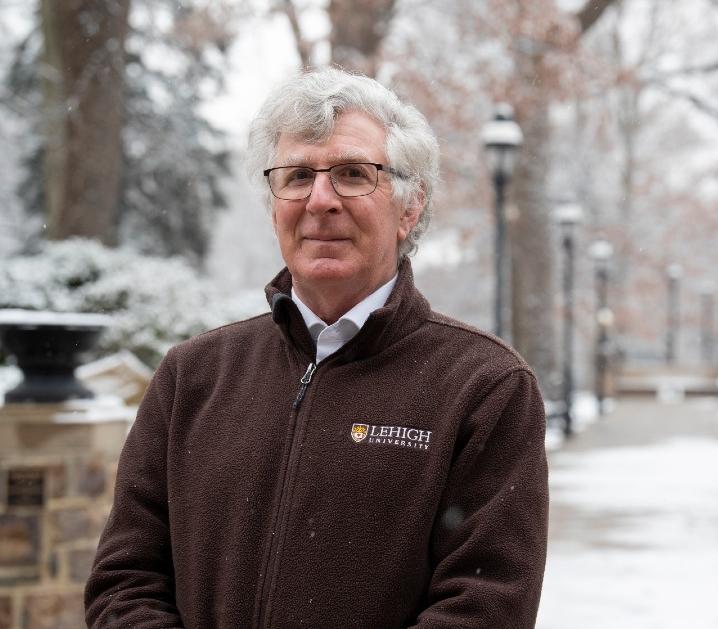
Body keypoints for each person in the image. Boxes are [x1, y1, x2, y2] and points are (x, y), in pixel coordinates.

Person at [85, 67, 549, 629]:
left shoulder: (484, 387)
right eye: (298, 175)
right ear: (273, 204)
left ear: (409, 208)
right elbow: (124, 582)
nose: (321, 199)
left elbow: (486, 606)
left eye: (353, 174)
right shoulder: (193, 376)